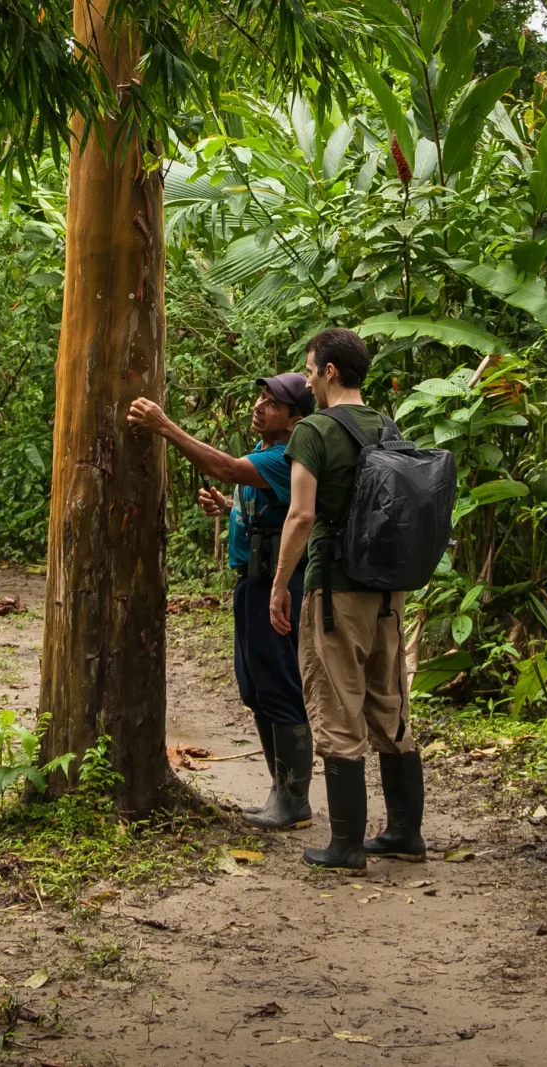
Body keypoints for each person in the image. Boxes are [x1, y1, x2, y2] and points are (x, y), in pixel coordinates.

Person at [126, 372, 315, 830]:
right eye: (260, 398)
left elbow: (228, 468)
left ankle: (294, 801)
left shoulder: (285, 457)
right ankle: (279, 792)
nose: (259, 406)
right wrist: (229, 510)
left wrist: (165, 426)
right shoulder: (268, 456)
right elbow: (266, 512)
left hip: (276, 588)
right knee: (256, 689)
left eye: (271, 403)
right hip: (252, 585)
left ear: (293, 420)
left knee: (278, 687)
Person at [269, 328, 426, 872]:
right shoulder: (387, 425)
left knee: (337, 707)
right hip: (387, 590)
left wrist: (279, 583)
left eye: (311, 369)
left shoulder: (313, 430)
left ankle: (346, 845)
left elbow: (302, 514)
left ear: (330, 371)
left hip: (335, 588)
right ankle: (406, 832)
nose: (308, 379)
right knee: (390, 705)